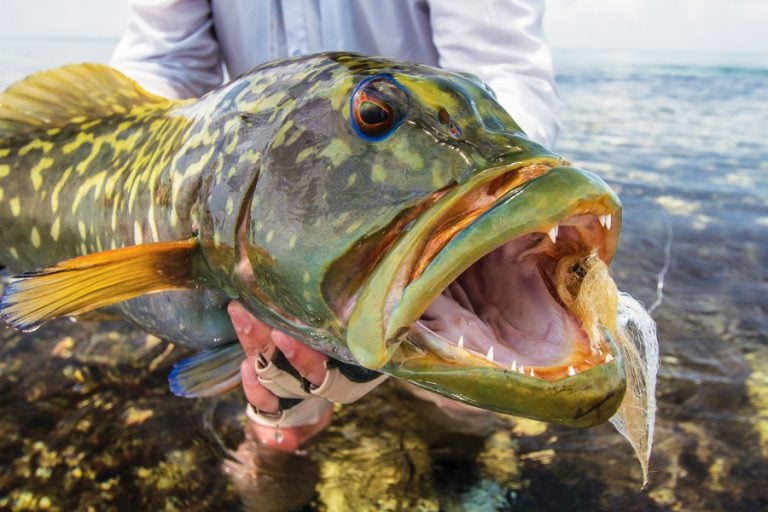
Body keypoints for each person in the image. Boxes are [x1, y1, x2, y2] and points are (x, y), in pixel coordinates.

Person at [111, 0, 562, 452]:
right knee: (278, 441)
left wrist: (502, 206)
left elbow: (501, 64)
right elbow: (164, 60)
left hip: (441, 247)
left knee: (470, 415)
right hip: (261, 226)